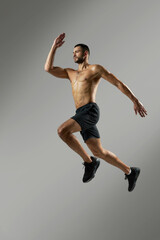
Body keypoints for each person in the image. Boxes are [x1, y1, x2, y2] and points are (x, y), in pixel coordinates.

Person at [44, 33, 147, 192]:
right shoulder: (70, 73)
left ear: (85, 54)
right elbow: (48, 68)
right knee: (98, 151)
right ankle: (130, 171)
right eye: (72, 52)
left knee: (62, 131)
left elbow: (117, 83)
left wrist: (135, 100)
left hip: (90, 111)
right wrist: (54, 47)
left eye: (76, 52)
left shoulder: (95, 69)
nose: (73, 54)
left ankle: (89, 163)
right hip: (80, 113)